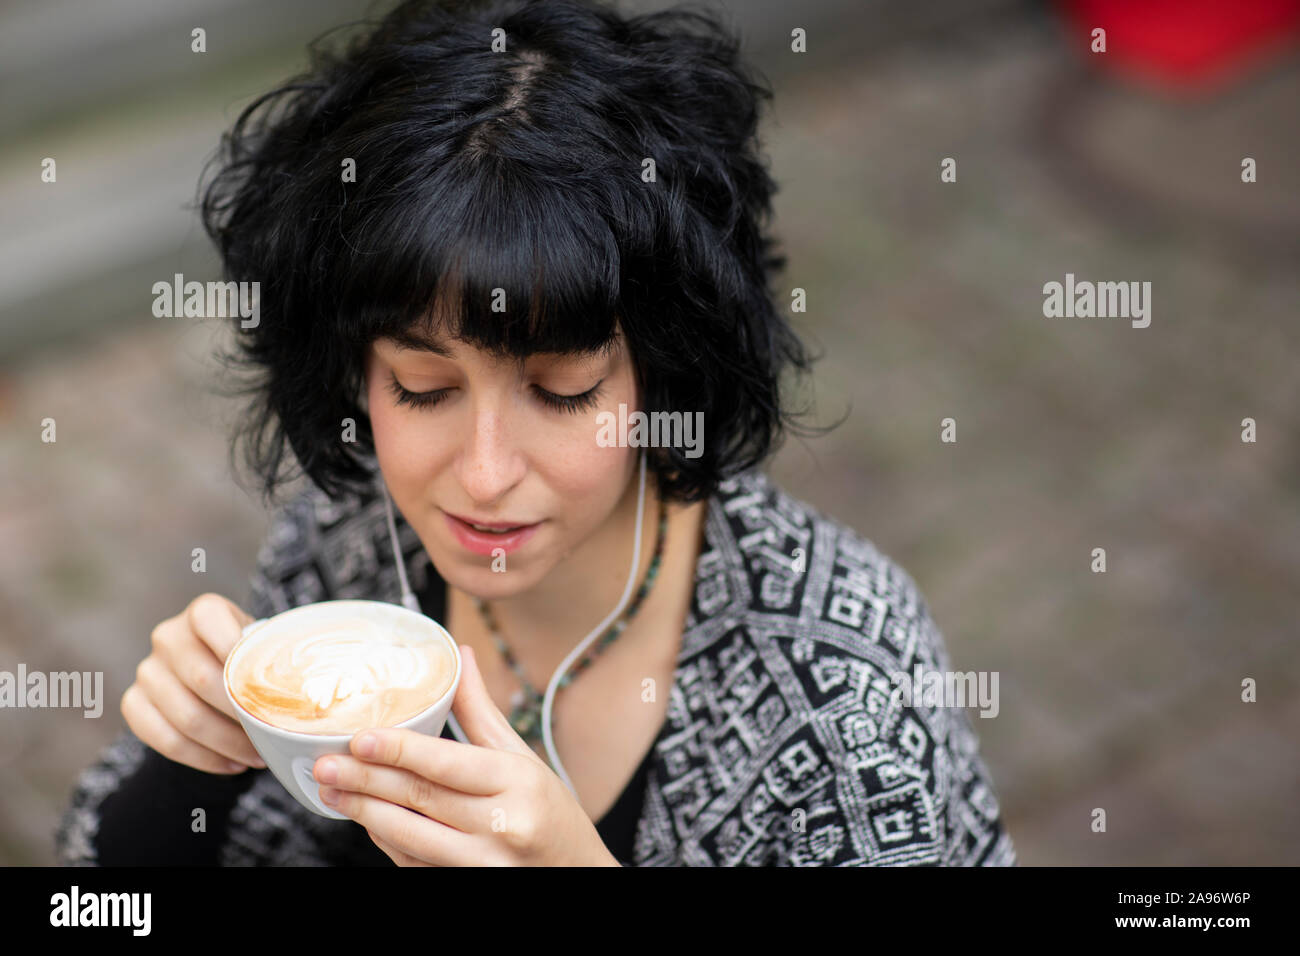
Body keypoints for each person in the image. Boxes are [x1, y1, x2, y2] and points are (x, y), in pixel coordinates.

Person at [55, 0, 1016, 866]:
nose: (481, 477)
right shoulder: (350, 551)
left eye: (561, 391)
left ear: (667, 369)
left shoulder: (842, 696)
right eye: (423, 387)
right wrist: (185, 768)